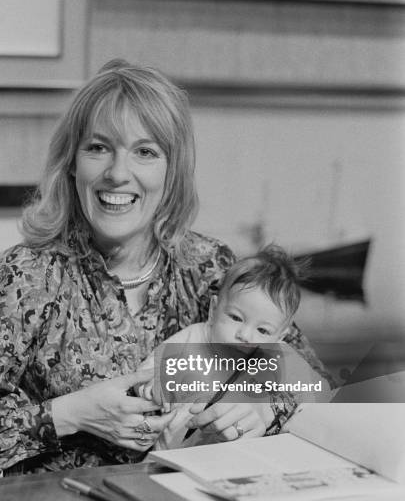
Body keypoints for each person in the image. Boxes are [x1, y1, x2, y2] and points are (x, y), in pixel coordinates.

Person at [0, 59, 328, 476]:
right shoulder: (27, 276)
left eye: (145, 152)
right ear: (72, 162)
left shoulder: (212, 267)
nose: (118, 173)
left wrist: (262, 405)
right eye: (98, 147)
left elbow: (313, 382)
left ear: (171, 172)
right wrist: (70, 415)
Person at [137, 245, 328, 449]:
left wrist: (298, 418)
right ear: (213, 310)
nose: (245, 335)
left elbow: (317, 394)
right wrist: (154, 386)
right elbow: (146, 372)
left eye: (263, 331)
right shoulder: (193, 338)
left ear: (281, 336)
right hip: (173, 455)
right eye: (236, 318)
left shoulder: (279, 357)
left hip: (241, 455)